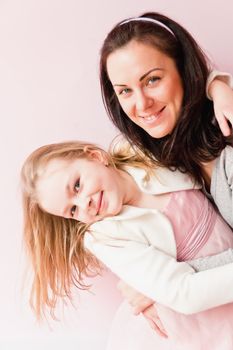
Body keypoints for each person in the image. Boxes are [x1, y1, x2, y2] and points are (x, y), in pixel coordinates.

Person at [21, 140, 233, 349]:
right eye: (73, 211)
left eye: (77, 186)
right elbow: (183, 293)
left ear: (96, 156)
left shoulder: (141, 155)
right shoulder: (104, 237)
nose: (84, 204)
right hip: (202, 320)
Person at [99, 12, 233, 229]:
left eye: (152, 80)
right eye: (125, 91)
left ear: (183, 69)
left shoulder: (227, 139)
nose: (142, 105)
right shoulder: (154, 157)